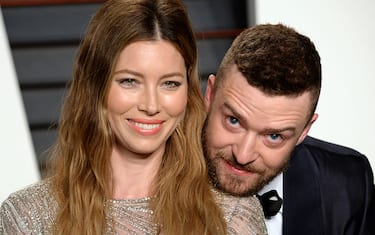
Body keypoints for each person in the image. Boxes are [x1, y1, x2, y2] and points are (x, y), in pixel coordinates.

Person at [0, 0, 267, 234]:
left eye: (170, 84)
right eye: (130, 81)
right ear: (96, 87)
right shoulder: (27, 217)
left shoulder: (231, 218)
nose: (151, 105)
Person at [202, 23, 375, 235]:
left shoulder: (347, 181)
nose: (243, 155)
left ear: (305, 130)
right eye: (234, 121)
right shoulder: (155, 169)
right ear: (210, 95)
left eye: (274, 136)